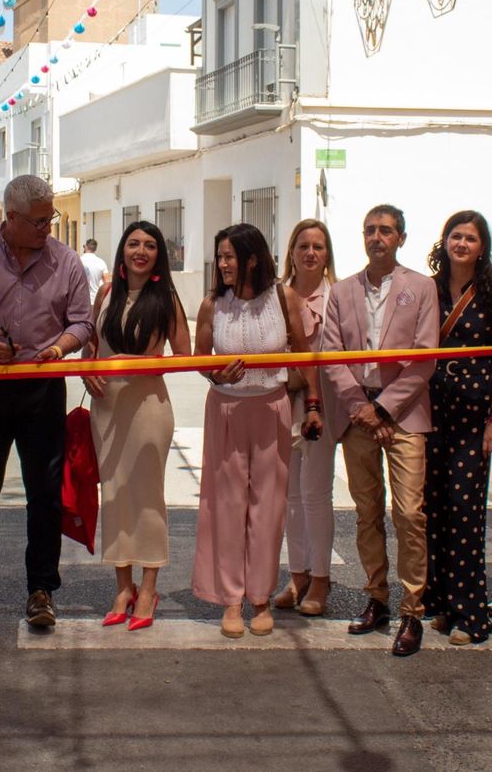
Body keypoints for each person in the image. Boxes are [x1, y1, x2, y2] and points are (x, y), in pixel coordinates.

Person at [0, 174, 93, 631]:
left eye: (51, 219)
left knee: (44, 494)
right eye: (39, 221)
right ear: (9, 218)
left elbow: (82, 322)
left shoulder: (66, 262)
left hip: (43, 388)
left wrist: (59, 348)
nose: (48, 228)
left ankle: (41, 590)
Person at [320, 204, 439, 657]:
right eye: (369, 230)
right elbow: (332, 357)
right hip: (356, 415)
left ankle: (413, 609)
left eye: (385, 231)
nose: (376, 237)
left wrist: (384, 411)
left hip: (404, 415)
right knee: (367, 511)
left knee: (409, 513)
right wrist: (361, 408)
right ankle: (377, 598)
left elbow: (424, 356)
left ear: (401, 238)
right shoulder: (342, 291)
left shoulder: (421, 288)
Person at [192, 223, 316, 639]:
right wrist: (215, 373)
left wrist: (313, 405)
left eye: (229, 256)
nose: (223, 264)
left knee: (269, 505)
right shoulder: (213, 305)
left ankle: (260, 597)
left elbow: (304, 354)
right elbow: (200, 360)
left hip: (272, 409)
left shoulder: (284, 298)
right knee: (226, 505)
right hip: (226, 409)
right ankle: (231, 599)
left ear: (251, 258)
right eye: (220, 256)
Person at [81, 220, 191, 632]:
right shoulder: (107, 293)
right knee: (113, 494)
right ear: (122, 250)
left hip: (148, 406)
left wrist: (141, 363)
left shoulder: (165, 300)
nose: (140, 251)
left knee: (146, 496)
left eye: (149, 245)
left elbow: (184, 354)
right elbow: (90, 346)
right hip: (106, 407)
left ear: (158, 254)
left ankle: (149, 587)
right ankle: (123, 587)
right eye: (133, 244)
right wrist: (87, 370)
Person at [422, 210, 492, 647]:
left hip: (473, 418)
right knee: (434, 512)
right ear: (445, 242)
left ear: (483, 246)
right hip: (431, 413)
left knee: (465, 514)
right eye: (455, 236)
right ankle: (440, 603)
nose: (461, 244)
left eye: (470, 238)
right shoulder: (429, 289)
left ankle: (472, 615)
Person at [272, 218, 338, 618]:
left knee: (315, 494)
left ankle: (321, 578)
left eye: (319, 246)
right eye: (303, 246)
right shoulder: (278, 296)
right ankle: (296, 574)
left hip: (322, 403)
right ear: (291, 252)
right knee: (289, 497)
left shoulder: (338, 296)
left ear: (327, 253)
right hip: (281, 400)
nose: (311, 253)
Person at [80, 238, 110, 304]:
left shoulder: (78, 261)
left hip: (81, 300)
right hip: (96, 300)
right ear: (95, 249)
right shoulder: (101, 262)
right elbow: (107, 283)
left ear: (85, 247)